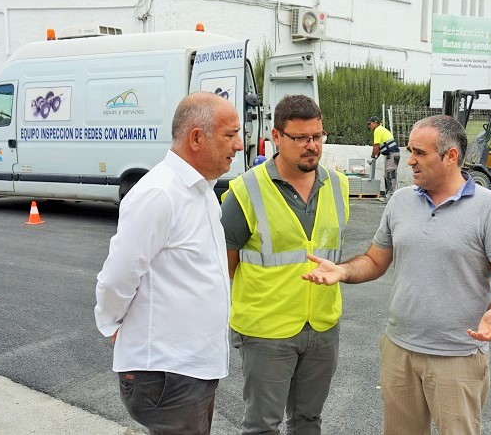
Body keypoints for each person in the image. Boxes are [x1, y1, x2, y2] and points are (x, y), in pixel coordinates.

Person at [303, 114, 491, 435]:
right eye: (410, 151)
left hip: (457, 357)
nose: (410, 161)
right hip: (399, 350)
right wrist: (342, 270)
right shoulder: (401, 201)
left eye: (419, 153)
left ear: (450, 156)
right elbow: (375, 261)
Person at [94, 92, 243, 435]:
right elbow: (118, 276)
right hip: (168, 373)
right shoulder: (159, 194)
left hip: (192, 367)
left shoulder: (201, 191)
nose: (238, 144)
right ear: (196, 138)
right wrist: (113, 324)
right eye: (229, 134)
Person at [221, 94, 350, 435]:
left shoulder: (337, 185)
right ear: (276, 137)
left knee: (309, 421)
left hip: (322, 327)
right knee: (262, 425)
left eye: (317, 136)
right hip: (266, 331)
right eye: (301, 138)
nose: (312, 146)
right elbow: (225, 265)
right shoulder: (246, 191)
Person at [367, 115, 400, 202]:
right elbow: (381, 147)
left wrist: (373, 156)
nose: (369, 126)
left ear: (375, 123)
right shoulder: (381, 129)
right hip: (391, 154)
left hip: (392, 154)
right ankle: (388, 195)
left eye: (370, 124)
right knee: (387, 175)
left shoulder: (377, 130)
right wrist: (376, 157)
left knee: (390, 174)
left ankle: (391, 197)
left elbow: (376, 146)